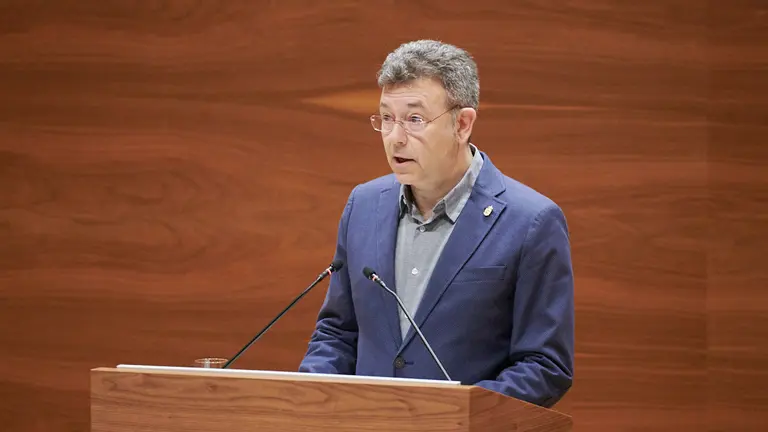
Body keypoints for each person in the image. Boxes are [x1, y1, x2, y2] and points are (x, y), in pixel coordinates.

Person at [299, 39, 574, 408]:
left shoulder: (531, 222)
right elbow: (337, 333)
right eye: (386, 118)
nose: (395, 137)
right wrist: (308, 399)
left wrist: (454, 417)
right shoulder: (363, 206)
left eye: (414, 119)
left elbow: (544, 366)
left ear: (462, 124)